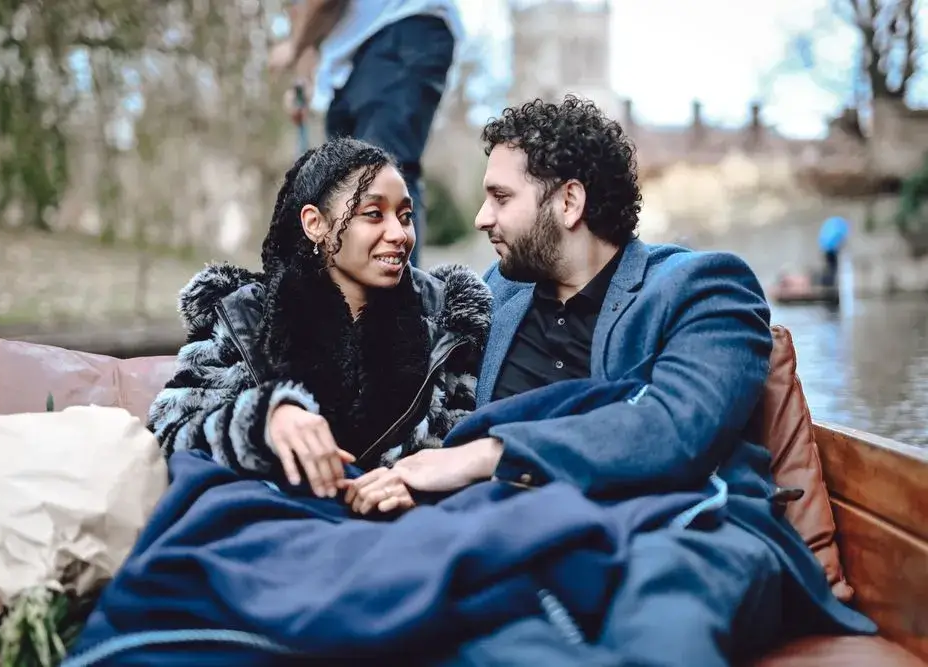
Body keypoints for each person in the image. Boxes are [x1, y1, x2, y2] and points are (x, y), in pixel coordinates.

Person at [351, 97, 875, 666]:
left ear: (569, 201)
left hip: (680, 532)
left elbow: (676, 430)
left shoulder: (703, 287)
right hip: (516, 532)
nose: (481, 217)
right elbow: (376, 360)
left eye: (501, 198)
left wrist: (488, 454)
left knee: (662, 618)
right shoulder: (490, 298)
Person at [146, 136, 490, 514]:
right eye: (374, 214)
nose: (399, 234)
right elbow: (170, 433)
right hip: (281, 527)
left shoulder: (446, 320)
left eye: (405, 216)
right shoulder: (246, 315)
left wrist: (419, 490)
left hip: (406, 533)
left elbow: (468, 448)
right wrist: (265, 421)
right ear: (315, 223)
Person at [268, 0, 464, 267]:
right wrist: (303, 80)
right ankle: (354, 301)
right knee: (343, 188)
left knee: (381, 178)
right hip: (347, 64)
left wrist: (293, 46)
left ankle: (397, 304)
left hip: (402, 28)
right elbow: (308, 14)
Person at [818, 215, 849, 286]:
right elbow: (840, 241)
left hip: (828, 251)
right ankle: (830, 283)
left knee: (830, 269)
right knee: (832, 269)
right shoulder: (837, 230)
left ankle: (829, 283)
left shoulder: (829, 230)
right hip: (831, 252)